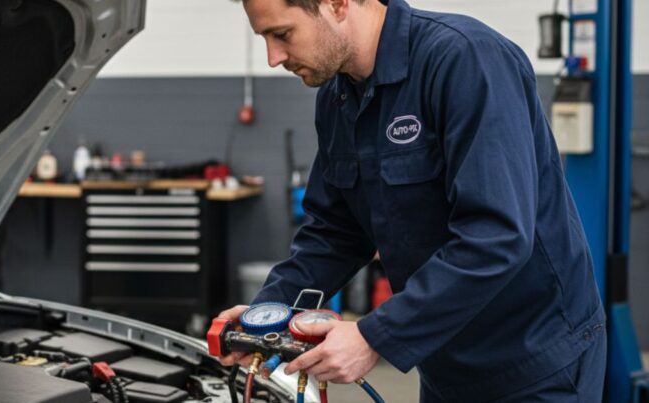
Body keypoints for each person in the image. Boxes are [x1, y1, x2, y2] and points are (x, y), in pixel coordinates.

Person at [215, 0, 607, 401]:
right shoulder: (338, 96)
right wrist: (264, 317)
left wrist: (374, 337)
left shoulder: (464, 59)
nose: (272, 57)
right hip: (443, 357)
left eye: (282, 35)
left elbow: (497, 235)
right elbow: (333, 233)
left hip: (533, 362)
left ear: (337, 4)